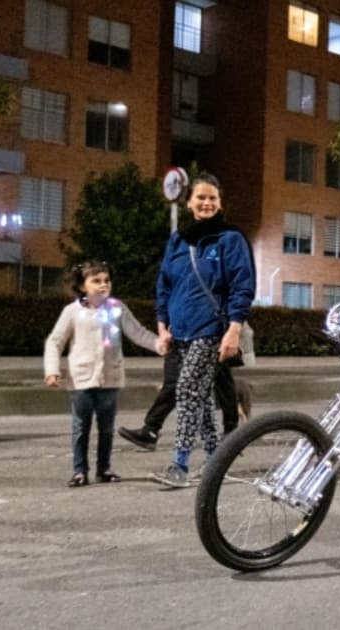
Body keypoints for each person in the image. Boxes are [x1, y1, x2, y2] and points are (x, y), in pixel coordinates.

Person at [150, 173, 255, 488]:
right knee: (201, 398)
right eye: (201, 198)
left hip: (210, 330)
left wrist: (234, 330)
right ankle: (215, 461)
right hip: (179, 331)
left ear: (220, 202)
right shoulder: (178, 240)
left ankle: (179, 466)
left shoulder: (230, 239)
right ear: (190, 202)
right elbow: (164, 285)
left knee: (185, 392)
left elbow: (242, 286)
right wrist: (162, 326)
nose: (207, 203)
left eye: (213, 198)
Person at [44, 260, 160, 487]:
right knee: (81, 427)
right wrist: (52, 370)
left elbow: (138, 333)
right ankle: (80, 470)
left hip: (110, 379)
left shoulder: (117, 308)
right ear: (82, 286)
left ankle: (104, 469)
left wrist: (160, 345)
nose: (103, 285)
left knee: (106, 429)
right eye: (95, 281)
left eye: (106, 280)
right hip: (81, 379)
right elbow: (55, 342)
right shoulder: (72, 312)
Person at [116, 352, 246, 452]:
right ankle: (231, 431)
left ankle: (152, 430)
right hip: (185, 331)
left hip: (201, 331)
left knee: (180, 381)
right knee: (221, 376)